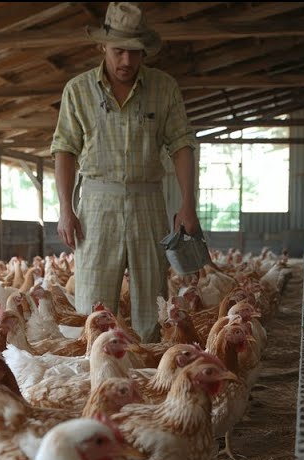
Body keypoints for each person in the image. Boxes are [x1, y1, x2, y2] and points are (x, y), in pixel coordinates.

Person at [51, 1, 201, 343]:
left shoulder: (164, 88)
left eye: (135, 53)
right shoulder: (78, 91)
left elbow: (181, 145)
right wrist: (64, 209)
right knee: (94, 303)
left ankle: (151, 377)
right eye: (119, 51)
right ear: (101, 46)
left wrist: (187, 203)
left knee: (152, 300)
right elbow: (64, 149)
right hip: (96, 201)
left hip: (148, 198)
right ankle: (98, 375)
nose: (127, 61)